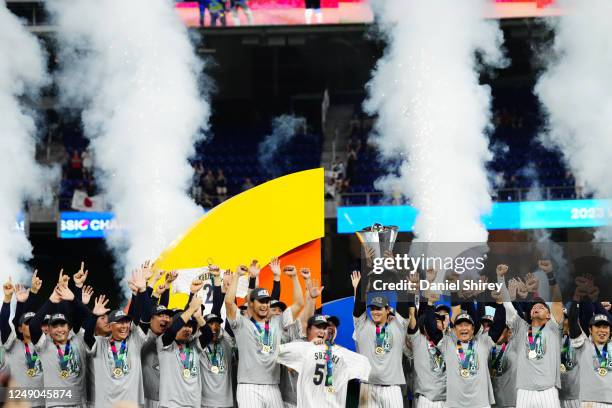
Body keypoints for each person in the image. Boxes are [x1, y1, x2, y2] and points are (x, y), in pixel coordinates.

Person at [224, 261, 304, 407]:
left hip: (273, 386)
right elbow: (229, 302)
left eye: (267, 301)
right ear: (252, 303)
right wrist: (237, 276)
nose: (264, 305)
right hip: (249, 386)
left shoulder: (278, 321)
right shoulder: (241, 323)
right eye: (261, 301)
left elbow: (299, 303)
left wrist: (294, 277)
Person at [498, 261, 564, 408]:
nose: (536, 307)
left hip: (548, 391)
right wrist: (500, 278)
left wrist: (550, 275)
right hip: (524, 391)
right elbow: (507, 304)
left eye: (541, 307)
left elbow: (557, 302)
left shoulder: (553, 329)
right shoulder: (520, 327)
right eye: (534, 307)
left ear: (548, 315)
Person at [424, 294, 506, 408]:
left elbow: (498, 326)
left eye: (467, 325)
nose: (463, 328)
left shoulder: (483, 342)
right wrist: (430, 304)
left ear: (473, 329)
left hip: (481, 404)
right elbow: (431, 328)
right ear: (455, 329)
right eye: (460, 325)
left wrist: (500, 304)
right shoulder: (447, 344)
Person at [277, 315, 371, 408]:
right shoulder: (301, 345)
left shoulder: (341, 353)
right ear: (309, 330)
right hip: (294, 400)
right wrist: (312, 346)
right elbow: (289, 367)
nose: (328, 329)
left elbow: (366, 369)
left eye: (328, 327)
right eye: (320, 327)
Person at [351, 270, 411, 408]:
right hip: (368, 386)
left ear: (387, 309)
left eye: (379, 308)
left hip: (392, 388)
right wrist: (367, 274)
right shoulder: (362, 326)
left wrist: (396, 274)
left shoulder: (398, 326)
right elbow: (359, 305)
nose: (375, 312)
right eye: (372, 308)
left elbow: (403, 300)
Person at [29, 274, 88, 407]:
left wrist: (77, 288)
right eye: (54, 326)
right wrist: (51, 301)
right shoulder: (44, 345)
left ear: (69, 327)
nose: (59, 329)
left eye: (62, 325)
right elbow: (33, 325)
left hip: (80, 404)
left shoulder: (77, 339)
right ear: (48, 329)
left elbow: (81, 315)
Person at [1, 275, 45, 408]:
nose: (32, 326)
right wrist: (8, 299)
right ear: (20, 329)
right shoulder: (13, 344)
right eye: (28, 324)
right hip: (16, 404)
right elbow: (4, 322)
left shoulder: (45, 344)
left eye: (34, 323)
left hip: (42, 404)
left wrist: (33, 293)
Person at [157, 295, 205, 408]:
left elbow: (207, 335)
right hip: (171, 404)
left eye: (190, 326)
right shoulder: (164, 342)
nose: (188, 328)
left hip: (193, 404)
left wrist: (198, 316)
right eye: (184, 325)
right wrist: (191, 309)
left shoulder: (194, 344)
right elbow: (173, 330)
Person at [568, 300, 612, 407]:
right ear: (590, 329)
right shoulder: (582, 345)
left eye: (605, 327)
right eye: (597, 326)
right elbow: (573, 321)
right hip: (589, 402)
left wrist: (595, 301)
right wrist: (577, 299)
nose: (602, 330)